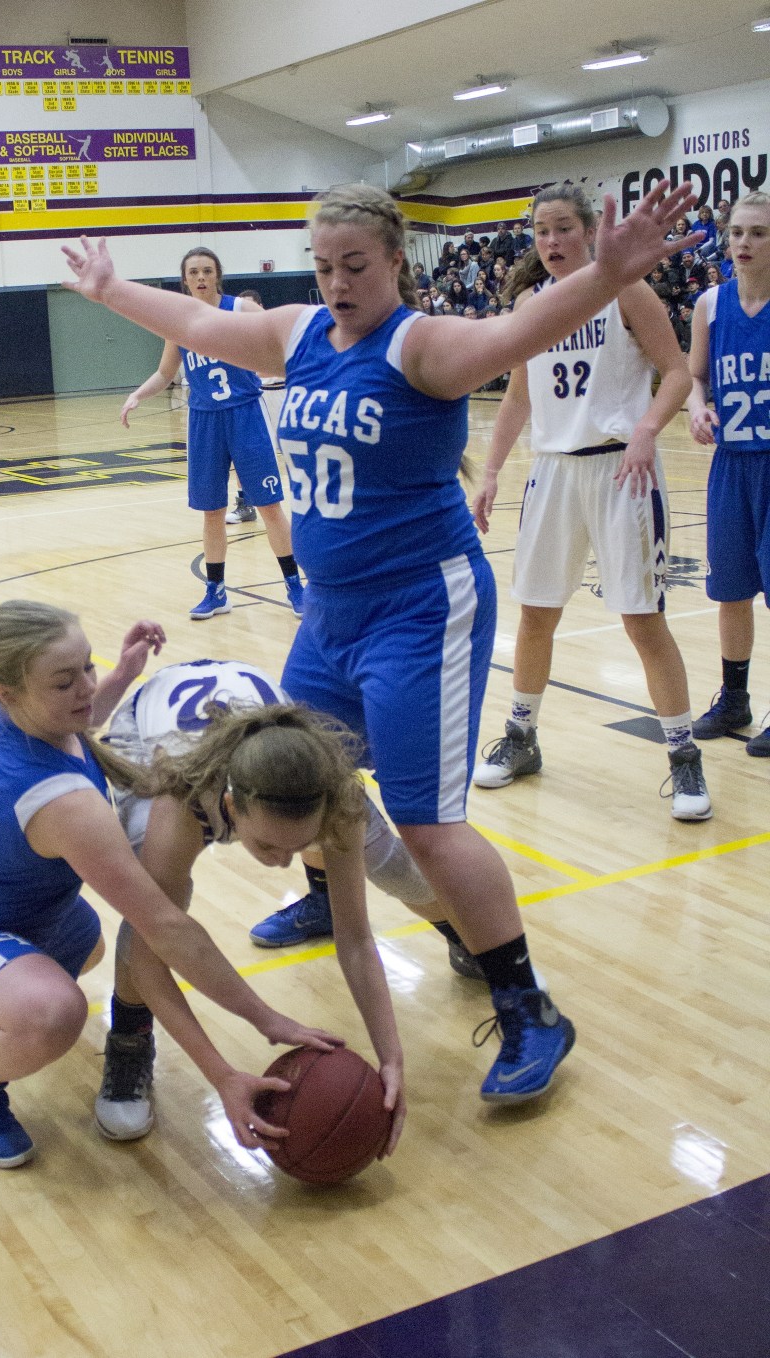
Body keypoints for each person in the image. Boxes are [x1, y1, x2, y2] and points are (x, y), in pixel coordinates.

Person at [62, 174, 699, 1105]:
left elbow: (511, 336)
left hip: (419, 610)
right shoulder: (297, 334)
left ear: (396, 261)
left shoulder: (424, 345)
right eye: (322, 267)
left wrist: (604, 273)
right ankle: (328, 897)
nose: (336, 283)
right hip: (331, 614)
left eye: (354, 265)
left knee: (432, 827)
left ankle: (529, 1009)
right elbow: (198, 329)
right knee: (297, 773)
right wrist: (111, 289)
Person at [0, 600, 338, 1167]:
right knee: (54, 1015)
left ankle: (18, 990)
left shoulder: (20, 718)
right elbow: (166, 926)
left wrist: (122, 675)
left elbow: (80, 726)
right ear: (6, 691)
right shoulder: (63, 803)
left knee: (92, 950)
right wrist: (264, 1020)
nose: (85, 689)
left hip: (45, 921)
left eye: (87, 666)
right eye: (65, 681)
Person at [94, 657, 439, 1142]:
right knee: (156, 916)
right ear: (232, 809)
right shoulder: (179, 802)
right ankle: (128, 1040)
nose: (281, 865)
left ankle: (475, 942)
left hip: (258, 734)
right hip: (150, 734)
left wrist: (392, 1057)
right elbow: (150, 958)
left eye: (300, 846)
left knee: (397, 869)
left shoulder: (337, 795)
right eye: (270, 846)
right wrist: (223, 1072)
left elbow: (357, 940)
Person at [471, 184, 711, 821]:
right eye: (541, 231)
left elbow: (679, 370)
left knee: (641, 619)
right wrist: (491, 471)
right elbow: (519, 396)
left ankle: (684, 757)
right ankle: (522, 736)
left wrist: (645, 430)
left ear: (589, 233)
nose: (551, 242)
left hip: (620, 471)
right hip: (552, 471)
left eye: (563, 230)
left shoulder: (626, 293)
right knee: (537, 613)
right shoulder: (531, 303)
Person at [120, 248, 304, 620]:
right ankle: (216, 591)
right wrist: (137, 395)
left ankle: (295, 587)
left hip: (245, 415)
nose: (201, 277)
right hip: (204, 421)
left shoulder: (241, 310)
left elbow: (281, 340)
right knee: (211, 511)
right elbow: (165, 372)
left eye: (207, 270)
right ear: (184, 280)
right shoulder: (179, 323)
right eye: (194, 272)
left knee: (269, 506)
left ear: (217, 275)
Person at [686, 192, 770, 755]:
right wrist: (697, 405)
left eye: (758, 233)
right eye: (737, 232)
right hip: (731, 464)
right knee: (731, 590)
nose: (743, 243)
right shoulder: (709, 305)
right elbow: (693, 377)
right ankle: (735, 696)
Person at [225, 288, 267, 525]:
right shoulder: (236, 337)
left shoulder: (269, 332)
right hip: (258, 399)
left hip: (282, 393)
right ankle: (246, 504)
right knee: (242, 457)